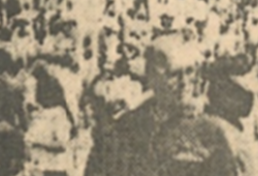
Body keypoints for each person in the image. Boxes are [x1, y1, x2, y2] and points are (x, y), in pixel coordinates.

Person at [85, 36, 245, 176]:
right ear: (152, 78)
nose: (184, 83)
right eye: (174, 74)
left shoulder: (210, 131)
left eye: (189, 72)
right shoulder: (124, 129)